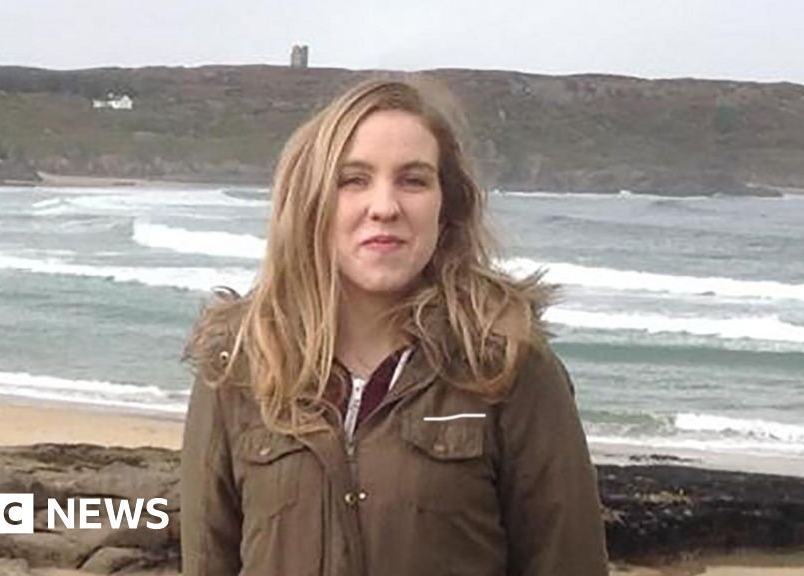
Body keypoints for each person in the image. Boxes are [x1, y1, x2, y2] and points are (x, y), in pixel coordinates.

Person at [181, 77, 608, 576]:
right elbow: (206, 561)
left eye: (413, 180)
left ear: (447, 206)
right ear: (311, 202)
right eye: (353, 179)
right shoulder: (238, 367)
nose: (384, 207)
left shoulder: (508, 367)